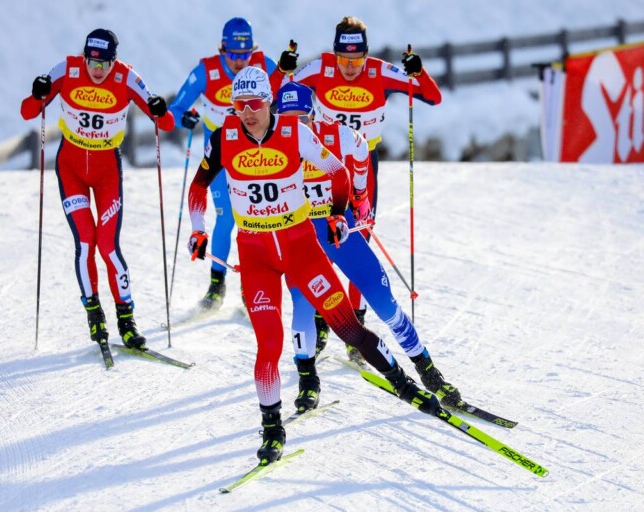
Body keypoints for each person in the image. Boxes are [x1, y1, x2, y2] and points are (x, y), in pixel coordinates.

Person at [187, 66, 441, 465]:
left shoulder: (295, 133)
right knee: (268, 345)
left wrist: (340, 214)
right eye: (239, 105)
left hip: (301, 247)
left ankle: (405, 385)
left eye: (254, 104)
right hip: (257, 256)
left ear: (268, 102)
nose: (247, 112)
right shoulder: (224, 138)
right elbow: (199, 187)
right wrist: (198, 228)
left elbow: (339, 172)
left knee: (349, 329)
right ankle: (272, 428)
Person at [276, 81, 462, 412]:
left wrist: (360, 194)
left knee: (384, 302)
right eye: (286, 118)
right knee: (302, 306)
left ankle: (428, 370)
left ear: (313, 115)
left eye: (301, 119)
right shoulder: (272, 145)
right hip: (304, 237)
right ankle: (308, 380)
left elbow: (362, 151)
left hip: (339, 230)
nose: (295, 126)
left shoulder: (334, 134)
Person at [279, 16, 442, 349]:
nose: (350, 67)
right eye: (343, 60)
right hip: (321, 163)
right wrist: (283, 70)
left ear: (366, 55)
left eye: (357, 60)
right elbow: (278, 96)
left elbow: (432, 96)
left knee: (358, 237)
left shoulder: (379, 72)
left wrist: (417, 71)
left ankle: (358, 318)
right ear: (334, 54)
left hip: (364, 163)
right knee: (319, 239)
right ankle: (323, 317)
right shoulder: (319, 70)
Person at [20, 28, 175, 353]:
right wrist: (38, 93)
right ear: (86, 56)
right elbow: (28, 111)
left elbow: (166, 123)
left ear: (114, 61)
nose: (98, 70)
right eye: (93, 61)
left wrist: (159, 109)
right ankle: (94, 311)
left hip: (107, 170)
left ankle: (127, 320)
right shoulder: (66, 69)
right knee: (86, 242)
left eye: (104, 64)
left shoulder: (127, 77)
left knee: (108, 246)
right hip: (71, 167)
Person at [168, 17, 296, 311]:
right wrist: (183, 117)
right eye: (233, 55)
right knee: (226, 219)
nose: (239, 62)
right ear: (222, 49)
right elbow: (175, 108)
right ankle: (217, 284)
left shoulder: (265, 64)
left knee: (255, 219)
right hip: (219, 153)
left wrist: (288, 73)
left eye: (245, 54)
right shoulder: (207, 70)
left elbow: (290, 94)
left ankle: (252, 283)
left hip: (254, 153)